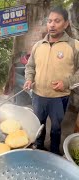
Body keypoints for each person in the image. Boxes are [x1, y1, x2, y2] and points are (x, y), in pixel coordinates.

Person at [24, 7, 79, 154]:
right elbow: (30, 66)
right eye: (49, 21)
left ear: (66, 24)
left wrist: (66, 83)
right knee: (38, 126)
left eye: (57, 21)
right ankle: (38, 149)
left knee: (56, 128)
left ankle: (54, 152)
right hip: (38, 95)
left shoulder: (74, 45)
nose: (52, 25)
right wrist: (29, 79)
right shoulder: (38, 45)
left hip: (59, 98)